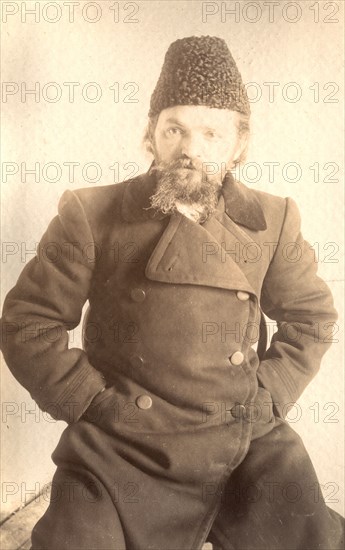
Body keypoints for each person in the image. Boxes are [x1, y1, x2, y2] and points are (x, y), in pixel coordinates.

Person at [0, 36, 344, 550]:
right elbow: (28, 322)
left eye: (211, 132)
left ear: (239, 144)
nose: (191, 148)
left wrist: (265, 400)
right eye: (175, 128)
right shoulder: (90, 213)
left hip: (240, 440)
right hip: (119, 446)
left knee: (308, 536)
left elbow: (312, 319)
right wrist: (94, 403)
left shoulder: (274, 220)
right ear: (151, 136)